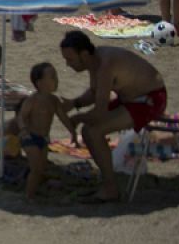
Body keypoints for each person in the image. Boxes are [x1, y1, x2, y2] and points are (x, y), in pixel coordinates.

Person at [61, 30, 169, 201]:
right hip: (134, 97)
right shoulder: (95, 59)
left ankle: (110, 187)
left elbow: (99, 112)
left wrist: (76, 118)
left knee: (93, 132)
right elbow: (95, 92)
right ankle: (108, 179)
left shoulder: (104, 65)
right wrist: (74, 104)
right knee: (89, 132)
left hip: (150, 100)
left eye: (70, 59)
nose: (68, 64)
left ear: (84, 54)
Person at [15, 62, 78, 200]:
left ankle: (35, 187)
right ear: (39, 82)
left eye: (56, 76)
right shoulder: (33, 100)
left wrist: (72, 131)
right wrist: (24, 130)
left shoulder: (54, 100)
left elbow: (63, 117)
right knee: (36, 168)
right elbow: (21, 116)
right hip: (29, 137)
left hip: (43, 138)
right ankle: (29, 196)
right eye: (52, 77)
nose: (56, 80)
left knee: (41, 167)